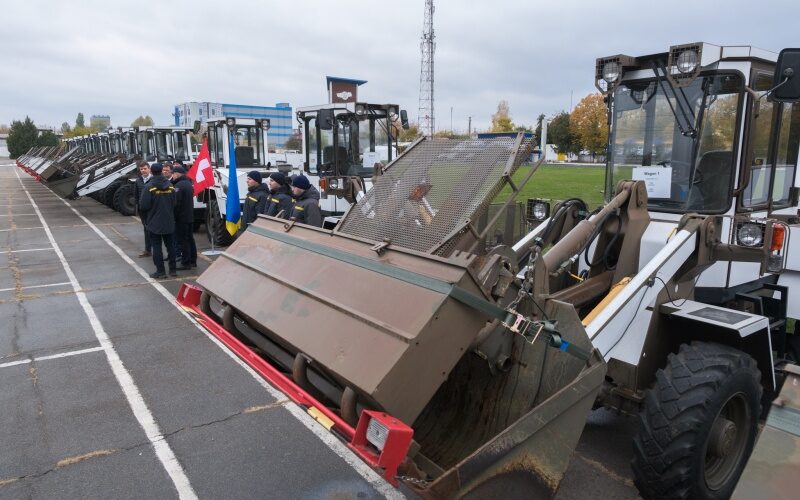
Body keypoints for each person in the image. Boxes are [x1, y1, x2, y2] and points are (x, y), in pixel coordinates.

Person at [139, 163, 177, 278]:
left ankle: (160, 271)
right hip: (169, 221)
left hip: (154, 222)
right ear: (161, 171)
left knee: (156, 247)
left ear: (151, 171)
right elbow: (174, 203)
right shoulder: (170, 186)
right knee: (171, 246)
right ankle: (173, 270)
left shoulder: (149, 187)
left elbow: (143, 206)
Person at [171, 165, 197, 270]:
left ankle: (186, 262)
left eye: (173, 173)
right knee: (190, 239)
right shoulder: (188, 184)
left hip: (181, 218)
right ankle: (193, 260)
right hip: (189, 216)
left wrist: (174, 216)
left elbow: (176, 204)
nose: (172, 175)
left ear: (177, 173)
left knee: (183, 241)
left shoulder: (178, 186)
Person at [134, 160, 154, 257]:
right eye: (141, 169)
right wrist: (137, 209)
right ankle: (148, 250)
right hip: (143, 210)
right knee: (146, 229)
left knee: (154, 230)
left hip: (153, 210)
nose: (143, 171)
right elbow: (136, 196)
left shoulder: (154, 180)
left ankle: (157, 249)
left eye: (145, 169)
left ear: (149, 169)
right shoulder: (138, 181)